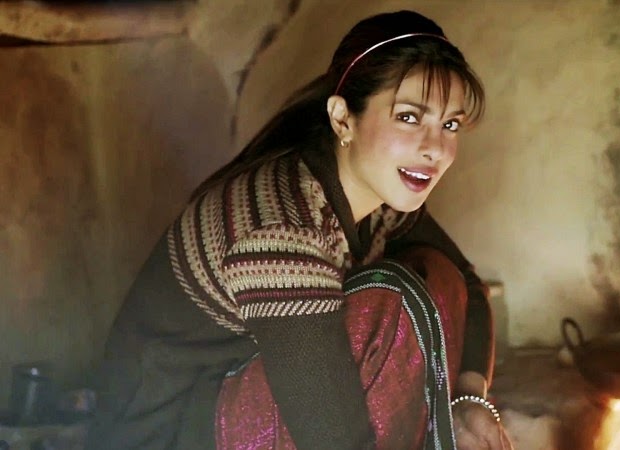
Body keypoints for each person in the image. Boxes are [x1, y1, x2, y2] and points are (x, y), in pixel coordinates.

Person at [87, 9, 512, 450]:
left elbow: (463, 283)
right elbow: (335, 441)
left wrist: (469, 398)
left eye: (450, 125)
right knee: (386, 307)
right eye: (408, 117)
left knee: (434, 275)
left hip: (246, 402)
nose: (435, 149)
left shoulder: (380, 200)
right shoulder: (281, 232)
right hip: (168, 434)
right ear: (343, 119)